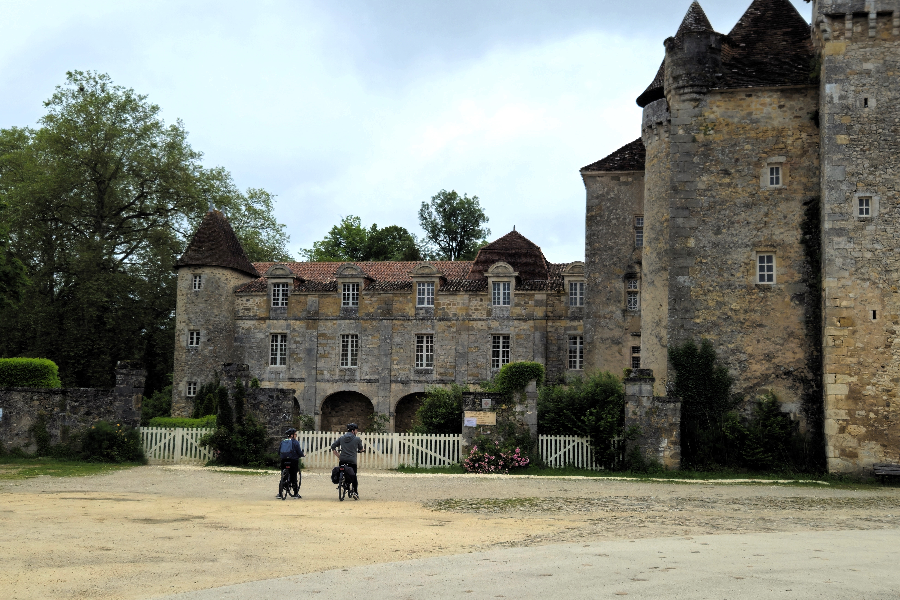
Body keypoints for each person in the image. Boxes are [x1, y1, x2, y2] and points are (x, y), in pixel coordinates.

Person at [331, 423, 365, 499]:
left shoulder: (341, 438)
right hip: (352, 461)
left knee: (343, 471)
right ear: (353, 431)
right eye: (356, 430)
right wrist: (362, 450)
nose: (357, 432)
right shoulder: (357, 439)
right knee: (354, 476)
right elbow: (360, 448)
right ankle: (355, 492)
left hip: (342, 460)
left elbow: (333, 446)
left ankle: (343, 485)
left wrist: (338, 455)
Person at [278, 428, 305, 499]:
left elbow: (279, 452)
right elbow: (299, 452)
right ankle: (296, 493)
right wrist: (302, 455)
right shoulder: (295, 442)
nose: (296, 436)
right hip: (293, 461)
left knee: (283, 475)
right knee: (294, 476)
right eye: (295, 434)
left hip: (284, 460)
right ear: (292, 435)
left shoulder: (283, 442)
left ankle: (280, 493)